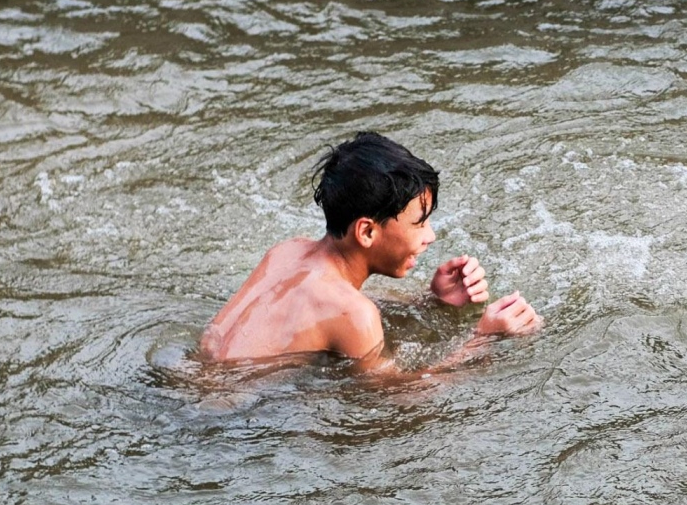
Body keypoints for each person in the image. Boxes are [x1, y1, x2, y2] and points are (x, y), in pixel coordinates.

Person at [200, 132, 541, 376]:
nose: (430, 236)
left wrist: (430, 300)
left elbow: (322, 311)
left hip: (187, 379)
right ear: (366, 232)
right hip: (223, 422)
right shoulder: (355, 316)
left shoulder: (288, 252)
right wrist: (482, 338)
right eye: (419, 223)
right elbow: (399, 395)